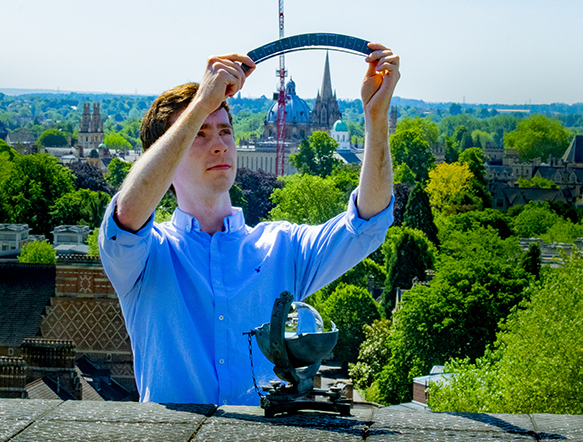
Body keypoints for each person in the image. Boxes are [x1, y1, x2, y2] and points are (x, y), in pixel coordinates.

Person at [99, 44, 400, 405]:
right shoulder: (147, 256)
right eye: (198, 133)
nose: (219, 145)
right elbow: (128, 215)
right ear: (166, 154)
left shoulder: (282, 247)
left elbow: (368, 223)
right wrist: (201, 103)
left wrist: (376, 117)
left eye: (225, 131)